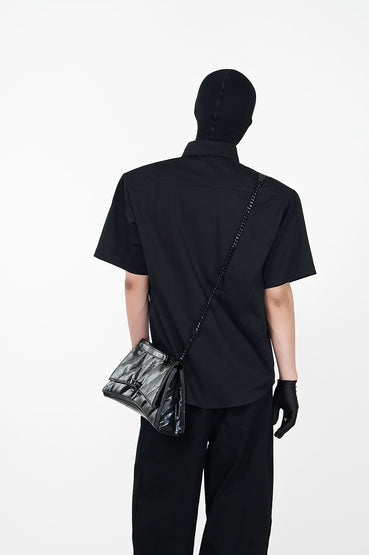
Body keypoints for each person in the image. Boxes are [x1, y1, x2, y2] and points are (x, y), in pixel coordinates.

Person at [93, 68, 317, 555]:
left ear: (195, 113)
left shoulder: (140, 185)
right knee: (239, 525)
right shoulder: (276, 199)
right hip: (245, 387)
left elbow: (134, 282)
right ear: (248, 124)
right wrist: (289, 380)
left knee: (160, 520)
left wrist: (146, 363)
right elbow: (277, 297)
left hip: (170, 389)